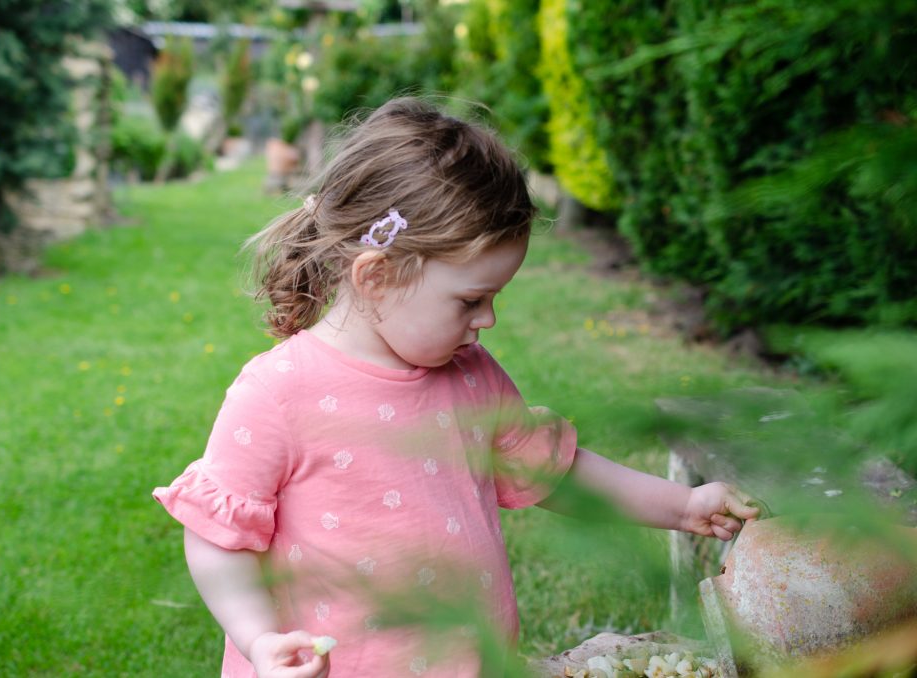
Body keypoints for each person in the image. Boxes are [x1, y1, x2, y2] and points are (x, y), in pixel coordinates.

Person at [152, 97, 759, 678]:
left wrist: (682, 505)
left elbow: (557, 472)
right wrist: (259, 638)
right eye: (471, 299)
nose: (488, 319)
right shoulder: (279, 393)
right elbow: (216, 539)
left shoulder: (473, 378)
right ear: (377, 275)